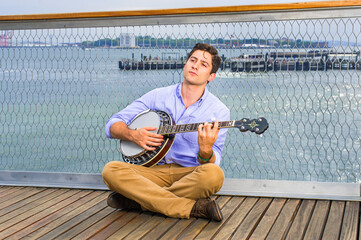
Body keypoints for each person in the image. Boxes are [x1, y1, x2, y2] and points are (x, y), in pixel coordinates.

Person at [102, 43, 230, 221]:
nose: (195, 66)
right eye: (192, 60)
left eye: (203, 64)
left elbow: (211, 162)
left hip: (189, 174)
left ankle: (139, 200)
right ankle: (191, 207)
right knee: (111, 170)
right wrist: (132, 134)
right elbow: (112, 124)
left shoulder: (219, 111)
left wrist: (206, 151)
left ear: (211, 76)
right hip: (153, 172)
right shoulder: (157, 96)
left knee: (214, 175)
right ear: (185, 64)